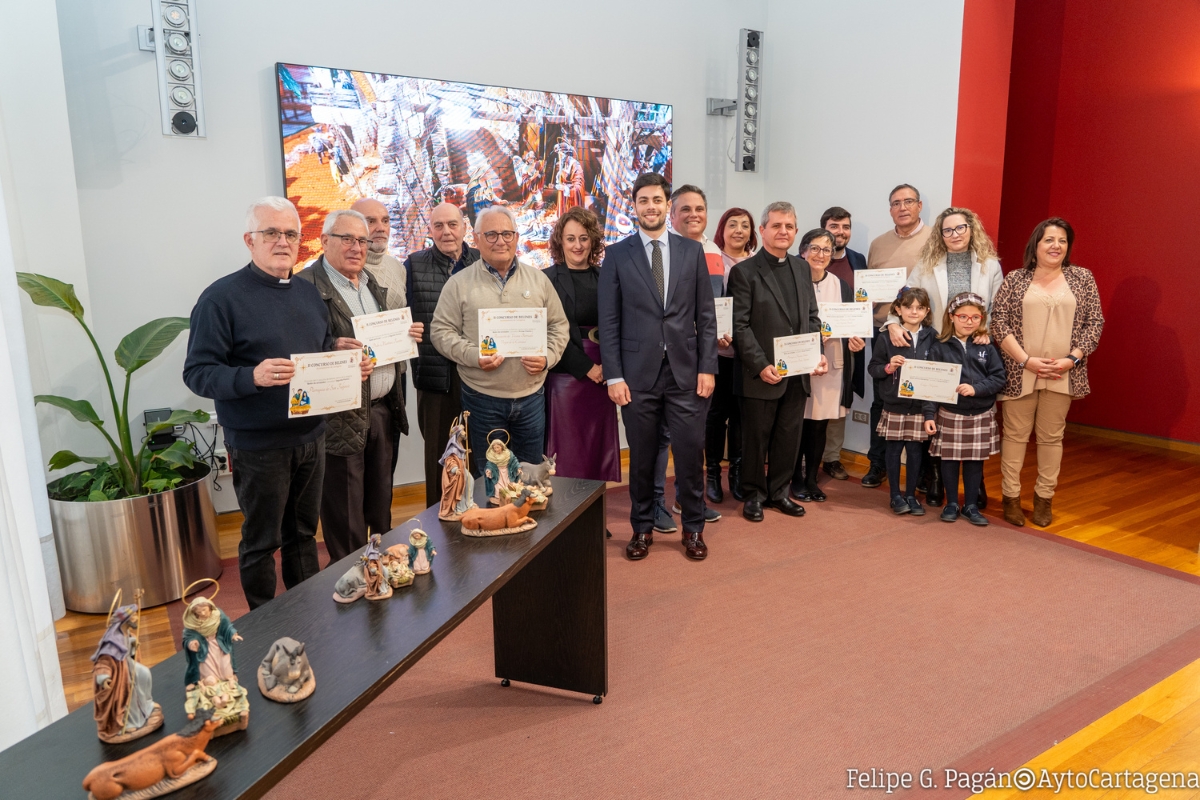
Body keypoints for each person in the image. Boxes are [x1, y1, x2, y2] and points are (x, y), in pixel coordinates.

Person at [183, 197, 331, 610]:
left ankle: (308, 611)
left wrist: (342, 354)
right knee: (262, 540)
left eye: (290, 234)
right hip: (257, 444)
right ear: (250, 240)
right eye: (271, 233)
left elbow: (315, 352)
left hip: (311, 435)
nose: (282, 241)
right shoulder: (220, 299)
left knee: (304, 534)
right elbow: (197, 373)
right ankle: (264, 620)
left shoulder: (307, 293)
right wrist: (251, 376)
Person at [598, 172, 718, 561]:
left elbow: (706, 314)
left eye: (657, 200)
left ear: (668, 206)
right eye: (643, 201)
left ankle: (694, 529)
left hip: (686, 373)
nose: (651, 207)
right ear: (634, 207)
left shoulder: (691, 251)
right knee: (644, 460)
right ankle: (642, 529)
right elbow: (609, 321)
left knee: (689, 455)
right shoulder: (617, 255)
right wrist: (613, 375)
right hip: (636, 377)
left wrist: (707, 366)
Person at [296, 209, 421, 564]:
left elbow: (383, 342)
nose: (356, 247)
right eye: (347, 239)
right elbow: (296, 350)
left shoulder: (370, 284)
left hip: (381, 410)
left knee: (380, 504)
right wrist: (332, 348)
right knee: (345, 511)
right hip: (340, 416)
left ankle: (382, 569)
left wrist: (406, 335)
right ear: (324, 241)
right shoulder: (305, 288)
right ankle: (352, 578)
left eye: (362, 240)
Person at [430, 205, 569, 473]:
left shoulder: (539, 281)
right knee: (491, 476)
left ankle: (527, 517)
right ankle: (494, 516)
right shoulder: (458, 283)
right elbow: (440, 332)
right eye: (491, 234)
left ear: (516, 238)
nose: (500, 241)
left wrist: (547, 358)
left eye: (507, 234)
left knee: (529, 474)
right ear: (477, 239)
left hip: (531, 398)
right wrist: (474, 356)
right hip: (482, 399)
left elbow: (559, 327)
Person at [884, 206, 1004, 507]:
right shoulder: (927, 263)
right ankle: (935, 476)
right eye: (947, 230)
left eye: (960, 228)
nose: (954, 235)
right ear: (940, 235)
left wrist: (986, 330)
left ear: (971, 228)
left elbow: (997, 306)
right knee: (939, 412)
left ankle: (976, 484)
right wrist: (894, 323)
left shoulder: (989, 265)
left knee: (970, 406)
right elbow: (904, 297)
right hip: (938, 345)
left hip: (975, 345)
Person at [990, 218, 1104, 528]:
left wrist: (1072, 359)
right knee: (1014, 436)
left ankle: (1044, 499)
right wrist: (1026, 360)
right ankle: (1011, 498)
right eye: (1049, 240)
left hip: (1063, 373)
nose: (1056, 246)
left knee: (1052, 438)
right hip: (1020, 371)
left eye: (1062, 241)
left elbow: (1094, 324)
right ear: (1035, 245)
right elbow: (998, 323)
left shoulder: (1082, 278)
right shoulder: (1015, 279)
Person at [729, 203, 828, 522]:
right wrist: (760, 365)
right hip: (761, 374)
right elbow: (739, 325)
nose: (783, 231)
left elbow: (812, 317)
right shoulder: (743, 271)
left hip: (797, 373)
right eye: (776, 226)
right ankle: (754, 495)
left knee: (789, 438)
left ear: (796, 231)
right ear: (762, 230)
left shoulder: (802, 269)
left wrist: (817, 353)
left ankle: (779, 492)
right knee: (755, 440)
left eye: (789, 226)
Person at [405, 202, 479, 507]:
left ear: (464, 226)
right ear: (430, 230)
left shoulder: (482, 260)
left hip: (479, 375)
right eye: (438, 226)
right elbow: (398, 315)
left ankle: (478, 516)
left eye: (452, 224)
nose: (446, 231)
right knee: (440, 455)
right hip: (436, 379)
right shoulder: (413, 265)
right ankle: (440, 523)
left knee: (478, 451)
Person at [862, 185, 935, 490]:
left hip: (924, 334)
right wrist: (887, 324)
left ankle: (922, 474)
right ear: (889, 209)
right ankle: (878, 463)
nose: (902, 207)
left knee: (924, 402)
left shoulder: (935, 239)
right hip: (883, 333)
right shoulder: (878, 244)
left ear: (919, 205)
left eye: (908, 202)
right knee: (882, 402)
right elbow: (867, 293)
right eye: (895, 203)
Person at [543, 207, 621, 482]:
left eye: (584, 238)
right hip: (566, 376)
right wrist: (586, 367)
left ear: (593, 242)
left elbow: (618, 325)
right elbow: (546, 333)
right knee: (567, 455)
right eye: (571, 238)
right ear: (560, 242)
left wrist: (608, 368)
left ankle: (595, 523)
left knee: (598, 452)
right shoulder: (546, 279)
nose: (578, 245)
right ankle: (567, 522)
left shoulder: (608, 276)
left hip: (605, 373)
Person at [663, 185, 723, 524]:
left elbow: (714, 309)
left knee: (693, 438)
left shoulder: (714, 251)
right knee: (662, 441)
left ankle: (689, 504)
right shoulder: (663, 252)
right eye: (685, 209)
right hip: (670, 359)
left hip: (703, 360)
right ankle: (659, 503)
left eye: (699, 208)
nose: (693, 215)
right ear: (672, 215)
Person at [791, 229, 864, 502]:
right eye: (815, 248)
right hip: (800, 361)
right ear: (803, 251)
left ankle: (811, 478)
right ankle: (795, 478)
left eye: (826, 249)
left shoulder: (841, 285)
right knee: (797, 422)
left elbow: (849, 327)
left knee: (820, 424)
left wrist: (854, 342)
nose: (821, 254)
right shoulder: (792, 280)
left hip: (832, 363)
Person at [922, 292, 1006, 526]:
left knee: (974, 462)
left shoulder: (987, 347)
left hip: (979, 413)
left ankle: (970, 505)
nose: (969, 321)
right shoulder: (939, 347)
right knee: (948, 461)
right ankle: (951, 503)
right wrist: (929, 414)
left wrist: (976, 389)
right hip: (950, 413)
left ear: (982, 318)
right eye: (963, 316)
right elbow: (931, 385)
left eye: (975, 317)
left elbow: (999, 378)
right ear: (951, 317)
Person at [351, 198, 411, 476]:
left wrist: (410, 332)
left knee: (385, 472)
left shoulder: (397, 267)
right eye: (370, 221)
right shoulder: (345, 270)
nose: (380, 228)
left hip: (394, 383)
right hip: (357, 385)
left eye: (385, 220)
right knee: (351, 479)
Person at [867, 287, 936, 515]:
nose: (913, 312)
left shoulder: (933, 337)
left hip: (919, 406)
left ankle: (910, 495)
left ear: (926, 311)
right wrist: (888, 367)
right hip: (894, 405)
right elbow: (873, 368)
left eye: (919, 308)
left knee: (916, 452)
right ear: (898, 309)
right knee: (894, 451)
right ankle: (895, 495)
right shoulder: (887, 337)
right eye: (908, 307)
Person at [709, 207, 757, 504]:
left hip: (747, 355)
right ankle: (712, 473)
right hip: (716, 355)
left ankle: (737, 474)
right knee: (715, 418)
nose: (739, 230)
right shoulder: (711, 259)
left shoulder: (757, 264)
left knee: (742, 418)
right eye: (733, 224)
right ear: (722, 229)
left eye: (745, 225)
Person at [817, 207, 867, 482]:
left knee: (839, 402)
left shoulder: (858, 260)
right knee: (808, 403)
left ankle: (832, 458)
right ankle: (802, 457)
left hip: (846, 347)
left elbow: (863, 304)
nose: (840, 232)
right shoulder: (806, 261)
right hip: (812, 345)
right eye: (834, 226)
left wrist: (860, 334)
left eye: (845, 226)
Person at [91, 604, 159, 742]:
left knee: (144, 674)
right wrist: (104, 677)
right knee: (127, 692)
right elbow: (103, 661)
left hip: (127, 664)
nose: (136, 618)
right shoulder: (112, 640)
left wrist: (133, 644)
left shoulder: (126, 633)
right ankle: (127, 722)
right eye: (133, 616)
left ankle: (146, 705)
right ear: (126, 620)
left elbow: (128, 650)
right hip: (118, 673)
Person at [554, 143, 585, 217]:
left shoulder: (575, 166)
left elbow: (579, 185)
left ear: (566, 154)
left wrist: (566, 188)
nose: (559, 157)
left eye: (560, 154)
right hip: (564, 198)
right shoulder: (564, 164)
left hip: (571, 198)